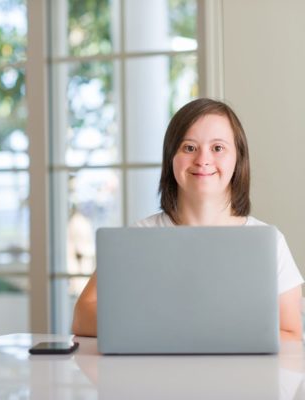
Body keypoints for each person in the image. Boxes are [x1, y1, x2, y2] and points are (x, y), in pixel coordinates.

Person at [72, 98, 304, 340]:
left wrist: (210, 332)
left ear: (238, 159)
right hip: (155, 376)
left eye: (217, 148)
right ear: (171, 157)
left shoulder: (269, 243)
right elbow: (81, 316)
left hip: (242, 377)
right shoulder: (139, 237)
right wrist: (168, 327)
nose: (202, 160)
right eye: (189, 147)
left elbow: (290, 332)